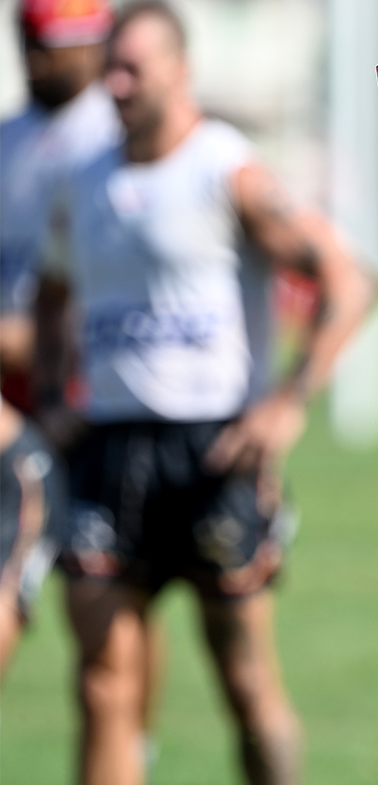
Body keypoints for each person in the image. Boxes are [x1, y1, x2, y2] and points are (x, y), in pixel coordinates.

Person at [40, 3, 377, 783]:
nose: (115, 83)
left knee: (244, 679)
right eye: (110, 66)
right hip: (107, 446)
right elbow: (53, 295)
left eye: (133, 67)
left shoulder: (226, 170)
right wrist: (59, 391)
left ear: (179, 69)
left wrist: (288, 399)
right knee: (101, 680)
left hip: (213, 450)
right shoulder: (84, 180)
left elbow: (349, 280)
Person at [0, 0, 115, 695]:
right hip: (13, 397)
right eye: (27, 40)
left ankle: (135, 742)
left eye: (51, 44)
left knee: (106, 602)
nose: (36, 58)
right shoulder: (9, 137)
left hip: (88, 401)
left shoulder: (111, 138)